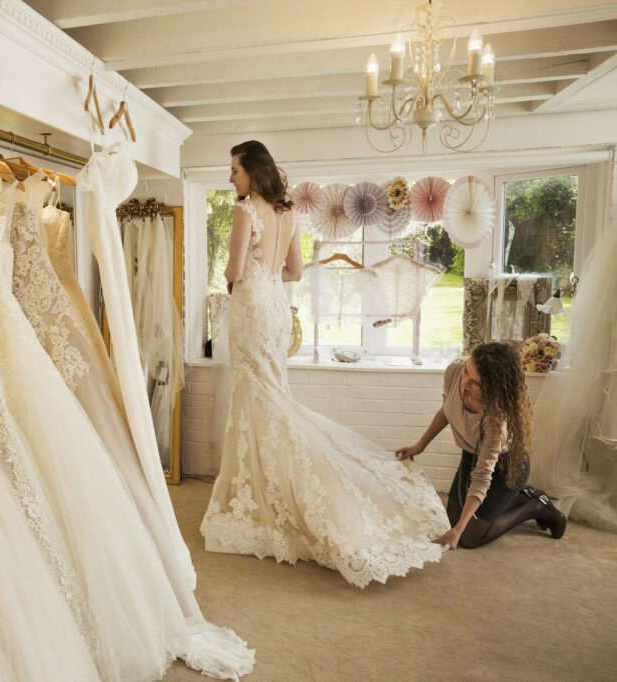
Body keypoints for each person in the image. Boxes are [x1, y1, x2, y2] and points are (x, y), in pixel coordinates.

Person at [201, 141, 450, 588]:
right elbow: (294, 271)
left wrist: (241, 275)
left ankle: (262, 497)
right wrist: (266, 272)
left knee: (256, 400)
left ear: (252, 172)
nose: (230, 177)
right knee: (271, 398)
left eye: (234, 169)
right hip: (276, 308)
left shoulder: (246, 210)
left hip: (253, 307)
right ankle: (265, 492)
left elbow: (234, 273)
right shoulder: (287, 212)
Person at [397, 342, 566, 549]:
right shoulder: (454, 372)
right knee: (450, 521)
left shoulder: (496, 417)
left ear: (491, 386)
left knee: (469, 537)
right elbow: (445, 411)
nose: (465, 382)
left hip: (506, 468)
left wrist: (458, 531)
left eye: (475, 382)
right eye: (467, 371)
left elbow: (482, 476)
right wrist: (420, 445)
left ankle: (535, 506)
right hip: (470, 456)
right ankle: (518, 497)